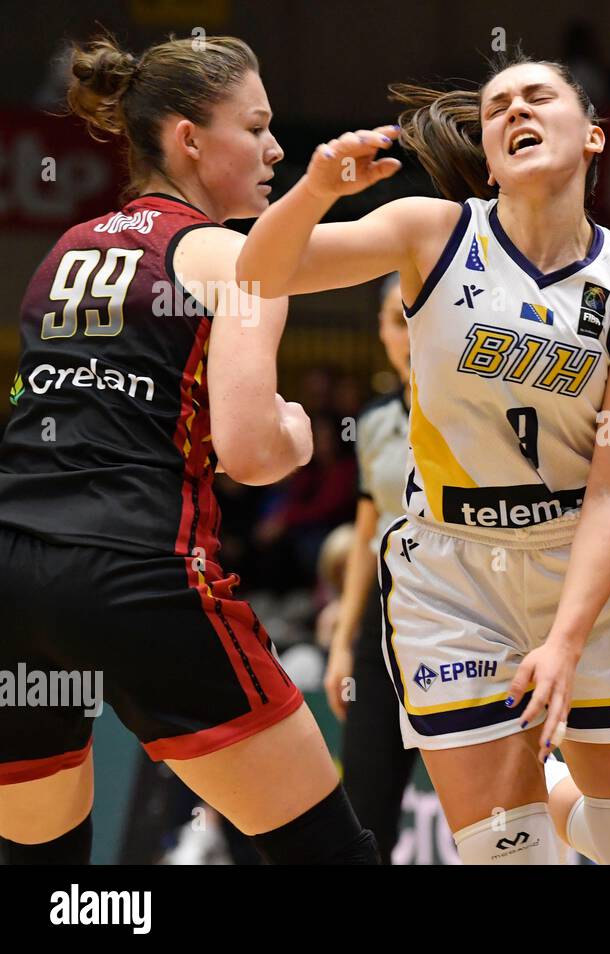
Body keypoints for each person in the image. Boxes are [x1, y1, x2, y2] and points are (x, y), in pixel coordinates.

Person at [237, 51, 610, 865]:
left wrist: (567, 640)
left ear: (592, 136)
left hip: (574, 556)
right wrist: (315, 192)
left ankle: (564, 799)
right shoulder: (431, 231)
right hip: (451, 575)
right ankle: (544, 803)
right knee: (508, 856)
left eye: (537, 97)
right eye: (497, 108)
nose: (515, 111)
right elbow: (259, 273)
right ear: (485, 158)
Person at [0, 34, 377, 864]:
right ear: (189, 139)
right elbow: (250, 454)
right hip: (136, 571)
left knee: (44, 871)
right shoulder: (236, 260)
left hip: (14, 575)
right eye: (257, 126)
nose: (278, 148)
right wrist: (296, 430)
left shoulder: (65, 251)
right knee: (331, 855)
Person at [323, 275, 418, 863]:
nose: (407, 332)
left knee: (491, 815)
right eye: (394, 318)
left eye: (417, 314)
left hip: (467, 619)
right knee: (366, 810)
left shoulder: (481, 407)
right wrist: (342, 643)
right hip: (383, 631)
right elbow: (365, 538)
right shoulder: (375, 420)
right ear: (381, 331)